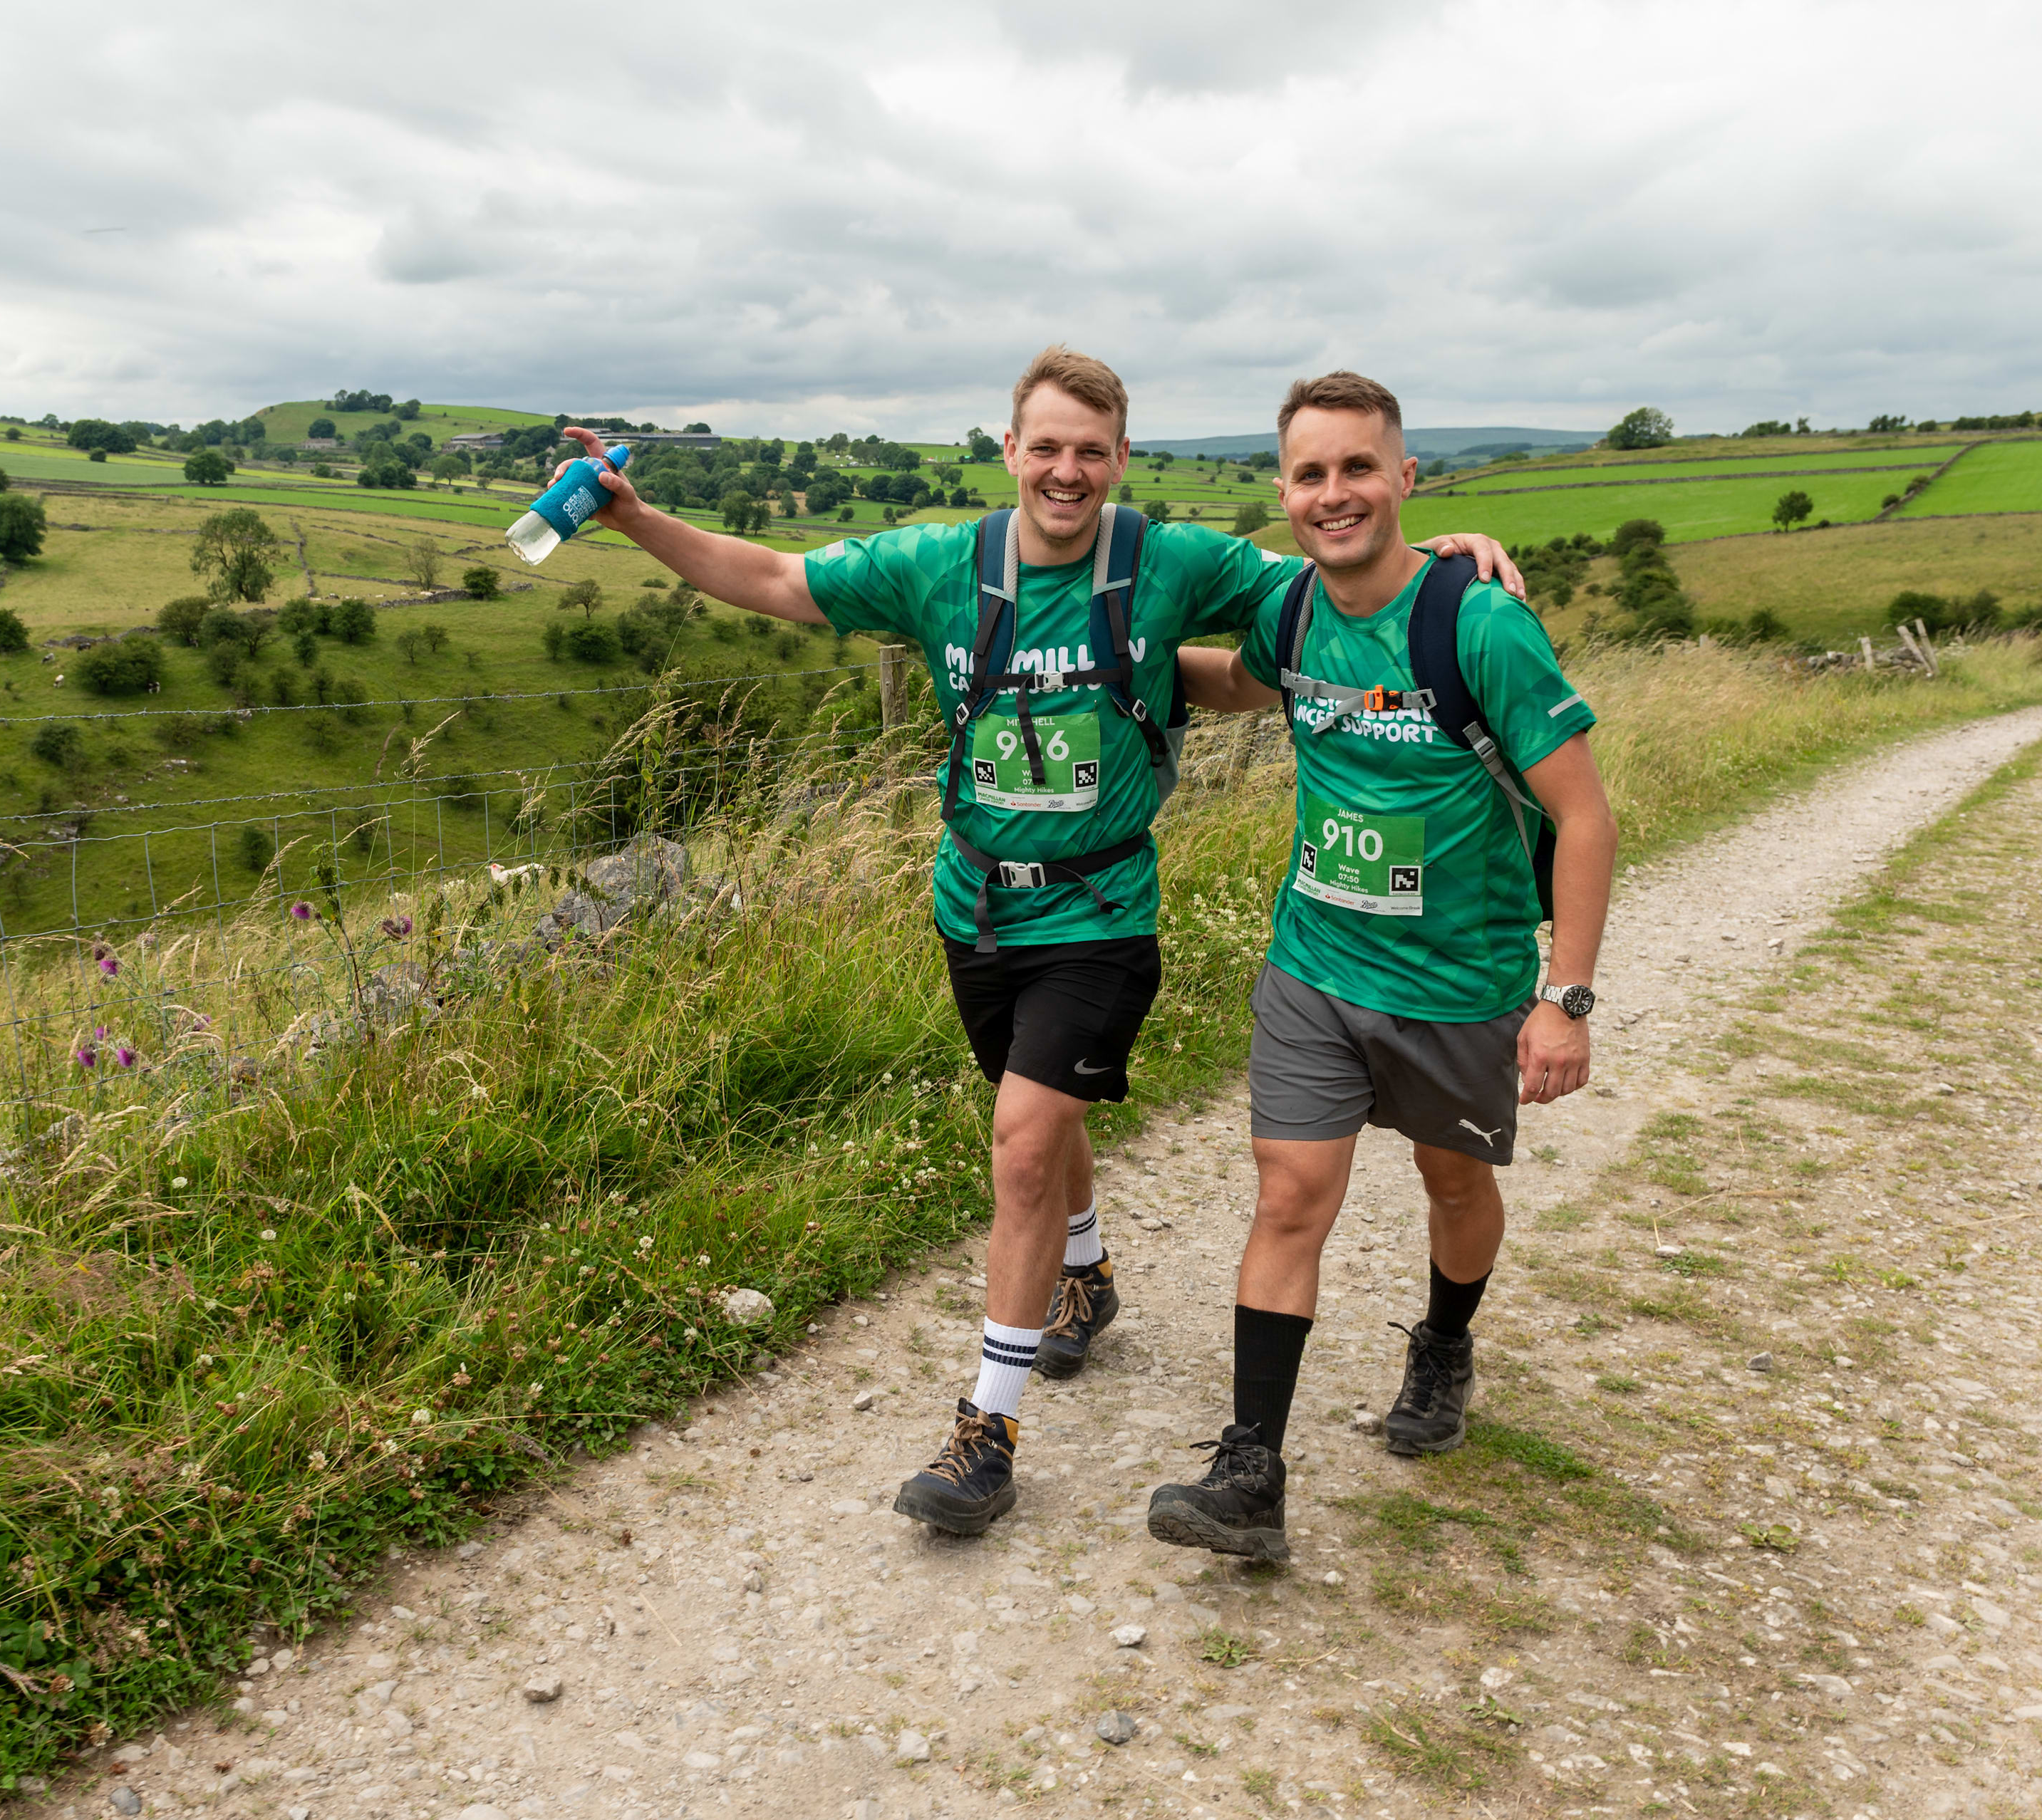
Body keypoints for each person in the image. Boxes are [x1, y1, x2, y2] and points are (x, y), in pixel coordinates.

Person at [552, 348, 1523, 1536]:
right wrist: (638, 519)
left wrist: (1450, 567)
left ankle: (985, 1439)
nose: (1068, 470)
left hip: (1103, 913)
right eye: (1047, 447)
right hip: (976, 905)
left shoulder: (1165, 560)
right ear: (1008, 450)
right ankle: (1089, 1275)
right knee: (1037, 1121)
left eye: (1093, 450)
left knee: (1019, 1145)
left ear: (1121, 460)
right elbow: (772, 577)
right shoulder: (936, 565)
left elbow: (1332, 572)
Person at [1146, 370, 1617, 1561]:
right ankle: (1251, 1467)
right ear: (1285, 493)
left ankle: (1446, 1345)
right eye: (1311, 473)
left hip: (1461, 985)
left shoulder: (1479, 622)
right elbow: (1240, 688)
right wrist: (1125, 661)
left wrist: (1563, 1000)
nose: (1334, 492)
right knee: (1290, 1194)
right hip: (1316, 966)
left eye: (1359, 467)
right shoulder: (1294, 613)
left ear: (1407, 478)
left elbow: (1588, 818)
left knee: (1453, 1189)